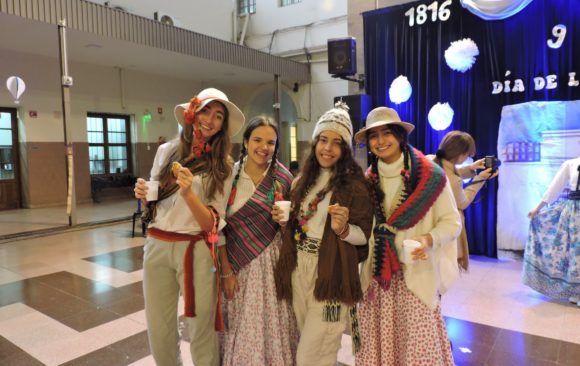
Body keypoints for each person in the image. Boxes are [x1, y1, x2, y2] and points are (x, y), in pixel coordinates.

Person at [133, 87, 245, 366]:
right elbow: (155, 202)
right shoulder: (166, 151)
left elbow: (213, 223)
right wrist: (144, 192)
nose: (210, 119)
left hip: (195, 250)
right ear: (192, 113)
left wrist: (189, 194)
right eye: (206, 110)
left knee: (201, 328)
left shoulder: (224, 166)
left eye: (218, 116)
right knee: (159, 327)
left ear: (223, 126)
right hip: (157, 246)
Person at [354, 107, 461, 366]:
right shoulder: (367, 181)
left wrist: (428, 240)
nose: (380, 141)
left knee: (417, 351)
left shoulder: (431, 177)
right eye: (374, 136)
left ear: (400, 136)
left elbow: (452, 222)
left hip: (416, 276)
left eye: (387, 133)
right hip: (378, 279)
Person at [273, 102, 374, 366]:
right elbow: (300, 227)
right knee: (316, 351)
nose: (327, 148)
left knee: (311, 356)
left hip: (332, 276)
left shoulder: (356, 186)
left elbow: (364, 237)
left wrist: (343, 230)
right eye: (323, 140)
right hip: (300, 271)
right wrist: (285, 222)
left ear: (346, 149)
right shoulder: (301, 181)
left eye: (337, 142)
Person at [220, 116, 298, 365]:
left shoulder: (283, 179)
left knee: (274, 323)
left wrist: (285, 222)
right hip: (236, 263)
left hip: (272, 264)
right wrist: (225, 271)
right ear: (245, 141)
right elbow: (217, 227)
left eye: (271, 142)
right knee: (241, 324)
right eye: (257, 140)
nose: (263, 147)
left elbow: (294, 232)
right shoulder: (228, 176)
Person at [431, 130, 498, 271]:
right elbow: (463, 203)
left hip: (429, 223)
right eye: (467, 155)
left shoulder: (430, 161)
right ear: (461, 155)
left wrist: (471, 168)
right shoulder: (453, 180)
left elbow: (448, 173)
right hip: (443, 227)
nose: (467, 157)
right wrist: (480, 179)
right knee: (440, 271)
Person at [524, 156, 580, 306]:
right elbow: (555, 187)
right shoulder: (571, 164)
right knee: (574, 252)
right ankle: (575, 291)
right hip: (575, 212)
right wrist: (538, 208)